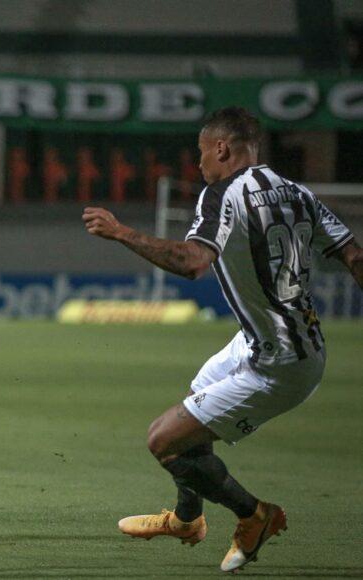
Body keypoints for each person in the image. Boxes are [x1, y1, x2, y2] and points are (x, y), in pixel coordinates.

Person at [83, 106, 362, 572]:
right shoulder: (297, 192)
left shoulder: (224, 192)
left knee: (164, 442)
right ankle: (188, 519)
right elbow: (353, 256)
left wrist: (121, 233)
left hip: (281, 362)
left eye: (200, 153)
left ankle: (255, 515)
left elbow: (193, 262)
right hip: (275, 339)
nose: (198, 165)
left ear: (221, 148)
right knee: (198, 395)